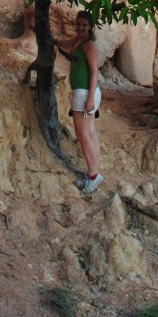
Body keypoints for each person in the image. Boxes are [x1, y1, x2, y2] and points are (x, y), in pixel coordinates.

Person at [55, 11, 103, 193]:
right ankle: (94, 173)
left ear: (90, 27)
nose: (81, 27)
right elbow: (63, 43)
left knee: (83, 136)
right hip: (82, 92)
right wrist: (53, 40)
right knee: (90, 133)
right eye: (78, 24)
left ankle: (93, 176)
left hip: (85, 93)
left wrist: (90, 97)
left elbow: (94, 72)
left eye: (84, 25)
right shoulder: (76, 41)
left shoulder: (89, 45)